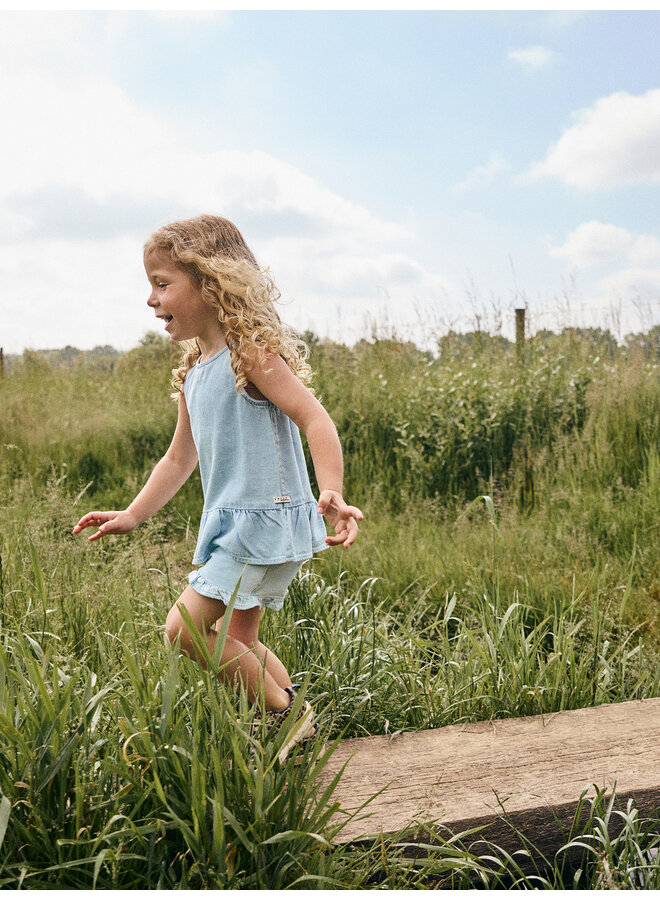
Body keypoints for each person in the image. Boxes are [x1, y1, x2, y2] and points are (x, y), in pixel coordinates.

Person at [73, 214, 362, 760]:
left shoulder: (249, 354)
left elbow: (315, 419)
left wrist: (333, 491)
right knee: (240, 641)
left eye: (163, 283)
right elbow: (180, 457)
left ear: (211, 283)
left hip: (264, 519)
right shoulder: (197, 369)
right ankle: (296, 723)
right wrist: (133, 514)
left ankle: (282, 717)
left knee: (183, 630)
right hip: (236, 521)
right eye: (150, 284)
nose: (151, 299)